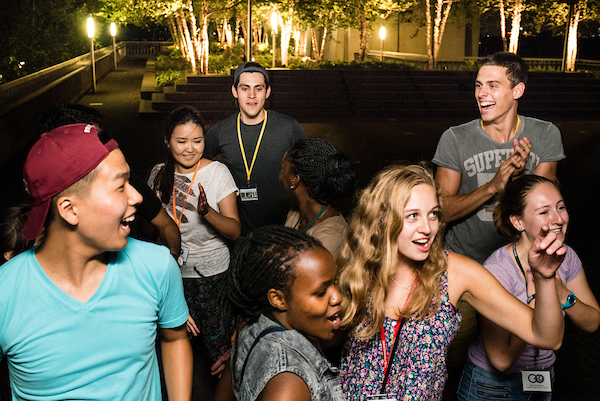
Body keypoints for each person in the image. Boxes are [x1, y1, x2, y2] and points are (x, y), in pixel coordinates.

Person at [337, 164, 566, 401]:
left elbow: (547, 337)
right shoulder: (359, 269)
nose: (427, 228)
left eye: (433, 214)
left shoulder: (455, 272)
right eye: (413, 216)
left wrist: (545, 278)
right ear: (382, 219)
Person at [0, 123, 192, 400]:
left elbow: (174, 339)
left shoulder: (157, 266)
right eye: (120, 187)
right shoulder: (6, 293)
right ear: (70, 209)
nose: (137, 197)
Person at [431, 52, 566, 388]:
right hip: (464, 270)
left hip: (519, 273)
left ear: (517, 90)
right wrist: (493, 186)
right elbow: (441, 210)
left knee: (518, 357)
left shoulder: (545, 134)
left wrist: (521, 178)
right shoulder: (455, 138)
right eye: (478, 85)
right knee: (449, 362)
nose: (482, 93)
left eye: (492, 85)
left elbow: (544, 210)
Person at [458, 175, 600, 400]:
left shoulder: (567, 256)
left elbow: (592, 322)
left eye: (561, 207)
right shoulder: (498, 270)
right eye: (544, 212)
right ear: (518, 222)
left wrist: (562, 294)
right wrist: (537, 300)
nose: (558, 219)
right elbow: (501, 359)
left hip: (542, 378)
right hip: (493, 388)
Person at [149, 105, 241, 366]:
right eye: (181, 141)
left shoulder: (217, 172)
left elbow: (234, 230)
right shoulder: (158, 173)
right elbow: (149, 230)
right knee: (175, 351)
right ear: (167, 141)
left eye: (197, 141)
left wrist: (207, 213)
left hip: (213, 277)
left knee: (219, 353)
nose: (190, 148)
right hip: (172, 277)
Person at [217, 225, 345, 401]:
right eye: (321, 292)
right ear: (278, 299)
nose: (337, 297)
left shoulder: (251, 329)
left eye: (335, 282)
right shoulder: (289, 385)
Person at [39, 103, 182, 257]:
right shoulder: (41, 212)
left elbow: (166, 224)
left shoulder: (125, 180)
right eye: (92, 140)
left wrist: (171, 262)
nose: (135, 197)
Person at [204, 62, 307, 235]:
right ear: (235, 91)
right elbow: (198, 166)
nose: (252, 95)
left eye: (258, 88)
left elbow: (309, 171)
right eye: (245, 88)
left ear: (267, 92)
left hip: (284, 231)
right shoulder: (221, 130)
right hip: (240, 235)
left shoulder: (289, 127)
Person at [280, 138, 357, 259]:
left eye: (282, 169)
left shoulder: (331, 236)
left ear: (293, 180)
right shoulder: (296, 212)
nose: (280, 177)